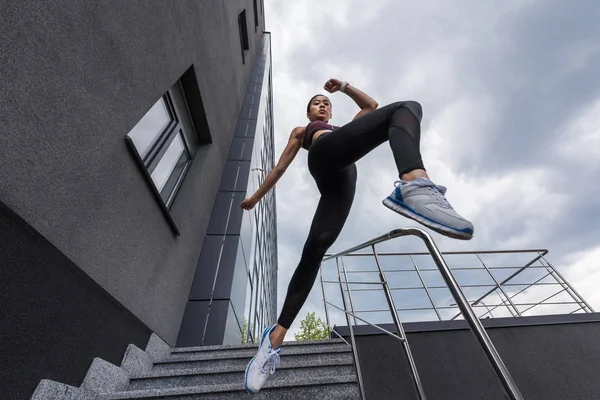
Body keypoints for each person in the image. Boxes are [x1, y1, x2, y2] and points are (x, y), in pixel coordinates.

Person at [241, 78, 474, 393]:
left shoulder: (344, 131)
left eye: (326, 103)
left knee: (315, 251)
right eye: (316, 103)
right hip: (324, 157)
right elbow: (280, 168)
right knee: (406, 108)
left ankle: (273, 339)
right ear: (309, 112)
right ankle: (414, 183)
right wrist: (256, 198)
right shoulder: (303, 131)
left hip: (343, 185)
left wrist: (346, 87)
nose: (322, 105)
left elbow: (370, 107)